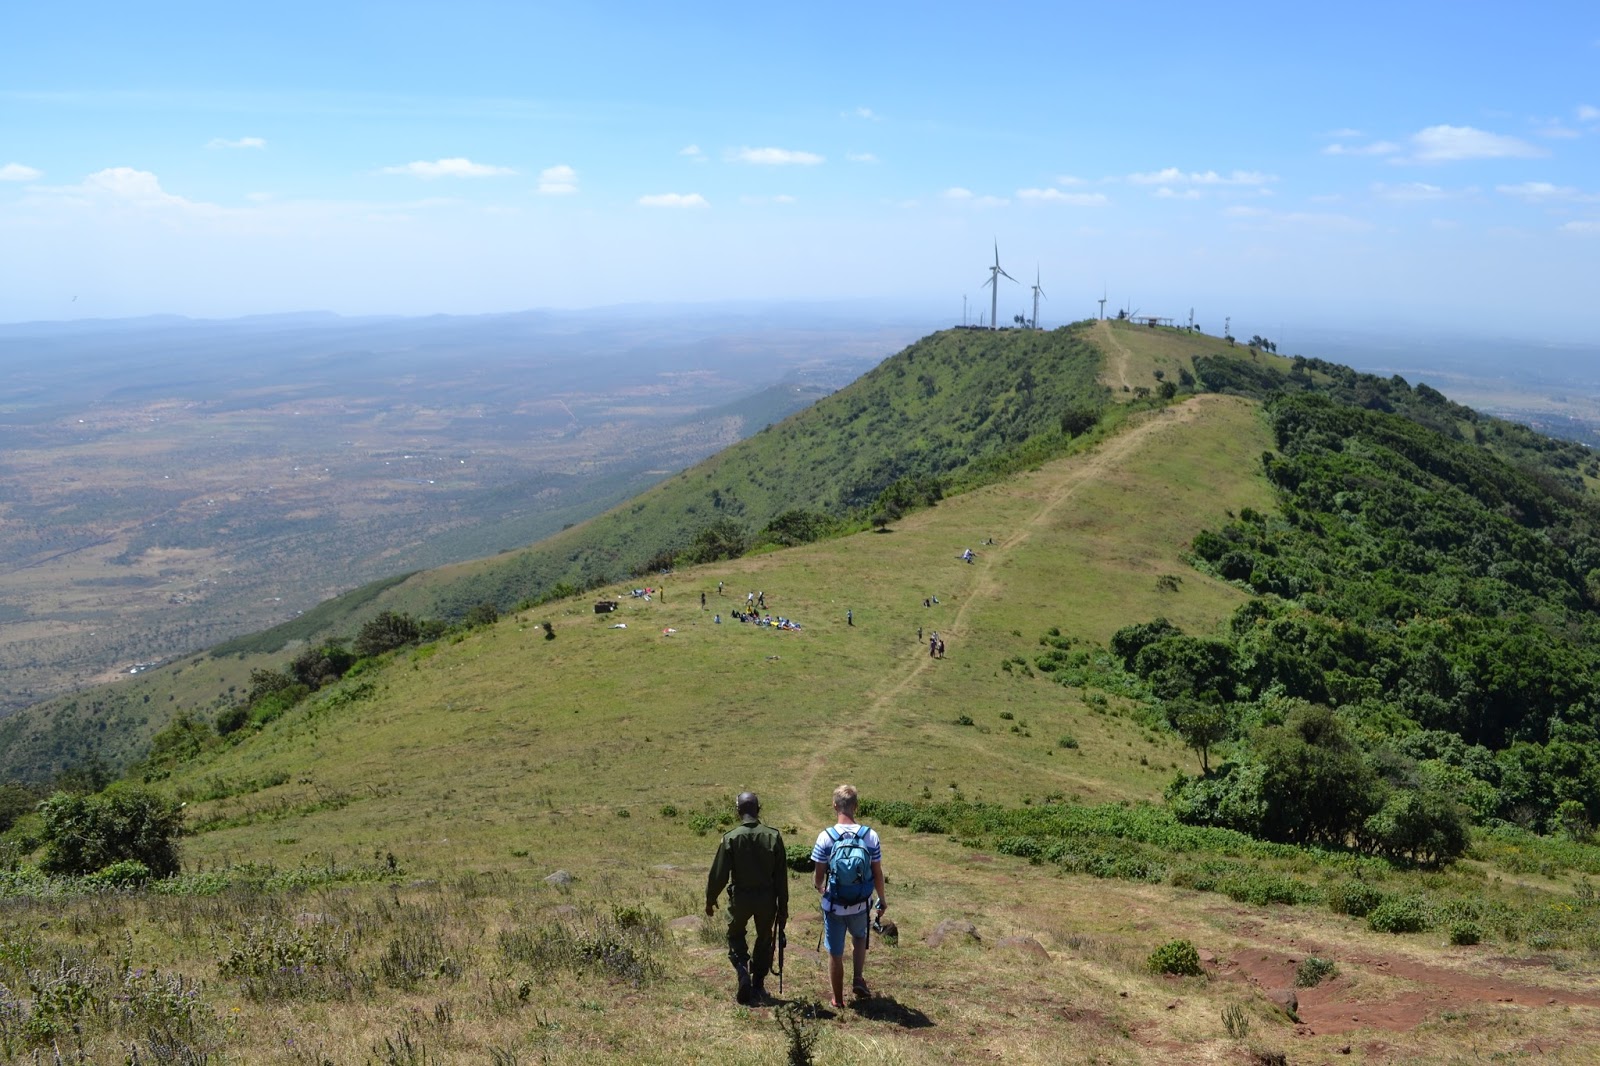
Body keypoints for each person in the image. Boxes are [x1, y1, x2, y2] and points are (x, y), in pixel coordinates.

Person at [706, 792, 789, 1005]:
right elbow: (781, 876)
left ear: (738, 811)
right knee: (764, 938)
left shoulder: (731, 837)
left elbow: (719, 874)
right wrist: (783, 908)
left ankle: (742, 969)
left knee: (735, 935)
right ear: (758, 810)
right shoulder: (773, 836)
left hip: (740, 898)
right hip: (767, 899)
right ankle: (758, 983)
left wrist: (711, 898)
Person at [812, 784, 886, 1008]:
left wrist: (819, 888)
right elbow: (877, 872)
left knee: (835, 953)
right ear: (856, 806)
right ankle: (858, 978)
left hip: (834, 906)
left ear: (835, 806)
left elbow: (819, 875)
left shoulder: (826, 837)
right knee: (860, 938)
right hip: (861, 904)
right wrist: (881, 899)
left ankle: (838, 999)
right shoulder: (869, 836)